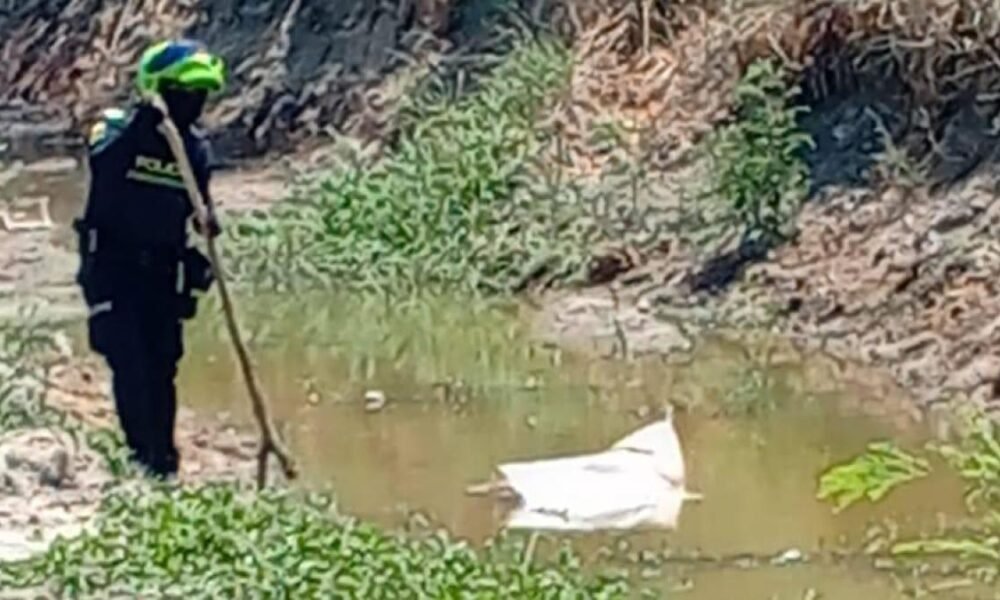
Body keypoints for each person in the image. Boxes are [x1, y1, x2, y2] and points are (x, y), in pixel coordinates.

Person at [73, 39, 227, 480]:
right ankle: (141, 456)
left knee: (162, 367)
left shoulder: (195, 149)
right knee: (129, 362)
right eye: (184, 92)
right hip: (114, 272)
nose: (194, 103)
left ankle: (164, 459)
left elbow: (200, 206)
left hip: (163, 275)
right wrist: (149, 123)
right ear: (158, 89)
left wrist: (208, 227)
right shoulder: (115, 129)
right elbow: (103, 163)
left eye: (200, 95)